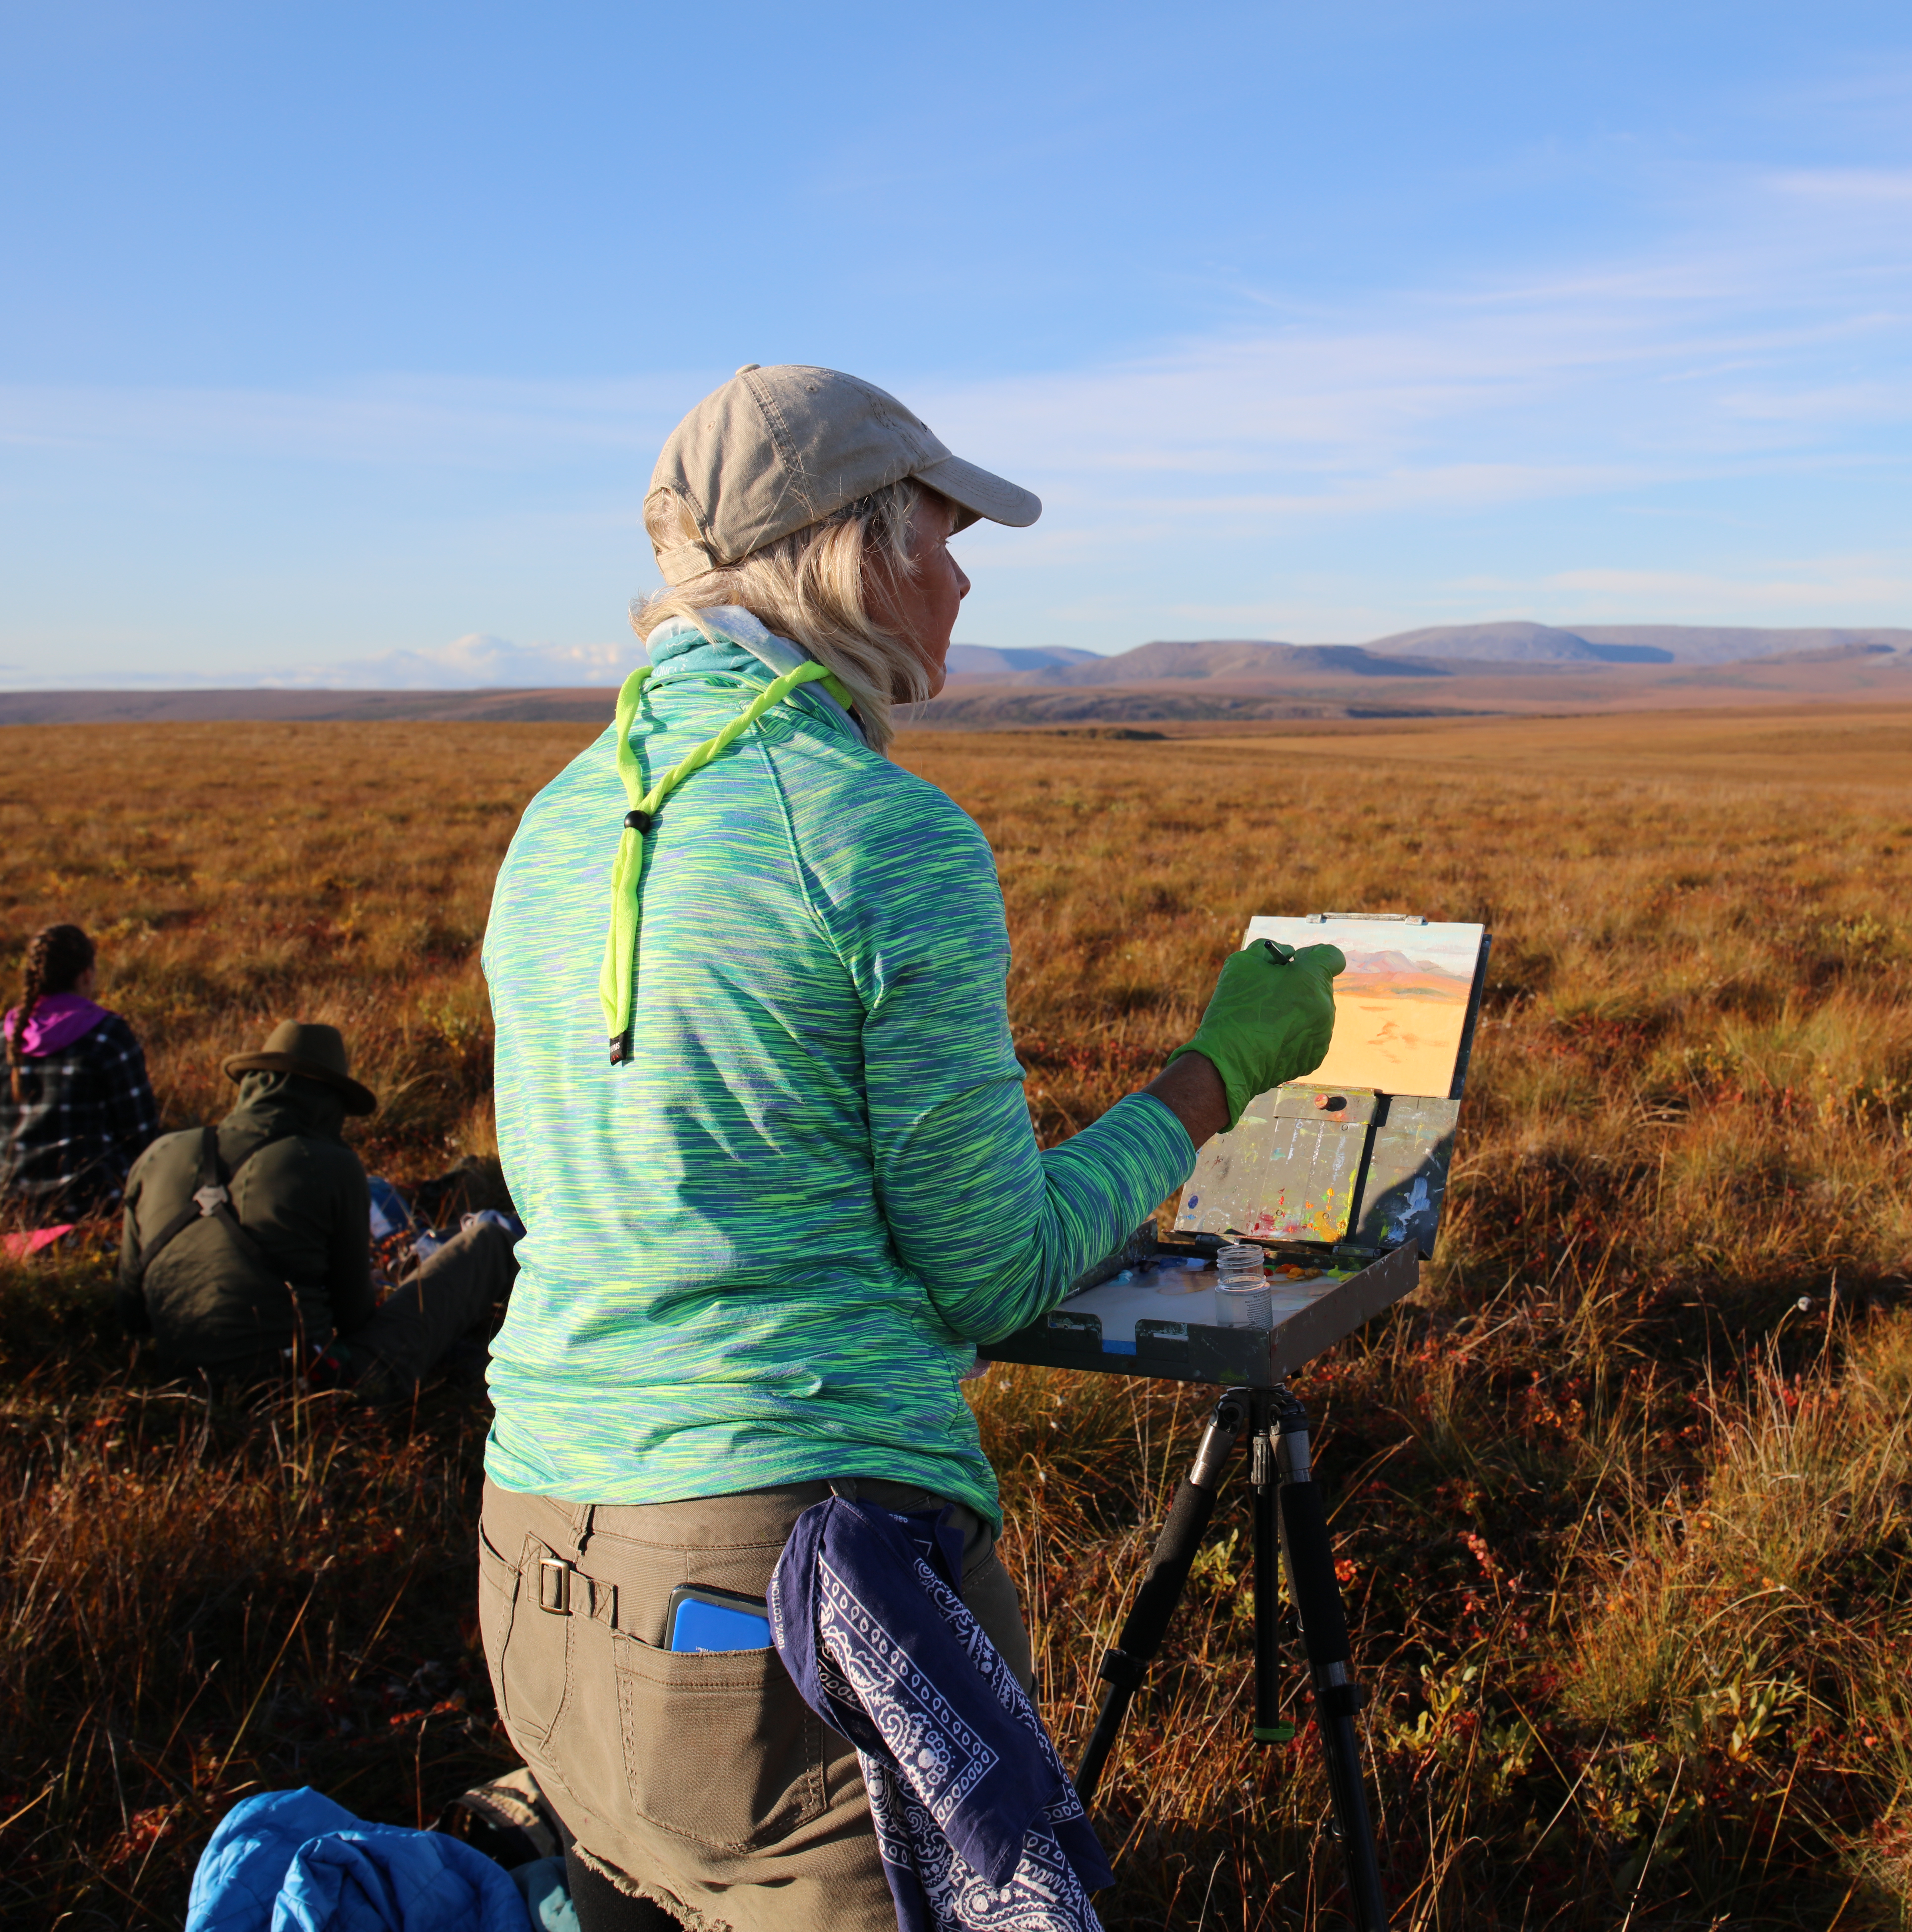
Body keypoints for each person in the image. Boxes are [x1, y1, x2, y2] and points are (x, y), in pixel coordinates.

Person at [474, 363, 1344, 1932]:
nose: (957, 574)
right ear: (850, 556)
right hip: (789, 1598)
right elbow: (992, 1265)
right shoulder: (883, 835)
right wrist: (1220, 1070)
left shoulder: (550, 828)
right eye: (936, 534)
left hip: (536, 1564)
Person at [115, 1021, 516, 1402]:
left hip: (177, 1382)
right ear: (327, 1100)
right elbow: (354, 1317)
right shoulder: (330, 1163)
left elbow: (131, 1312)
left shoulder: (159, 1155)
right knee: (487, 1242)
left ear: (253, 1084)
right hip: (313, 1388)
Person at [0, 922, 161, 1226]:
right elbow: (143, 1135)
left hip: (7, 1217)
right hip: (95, 1213)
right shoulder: (108, 1036)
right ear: (86, 974)